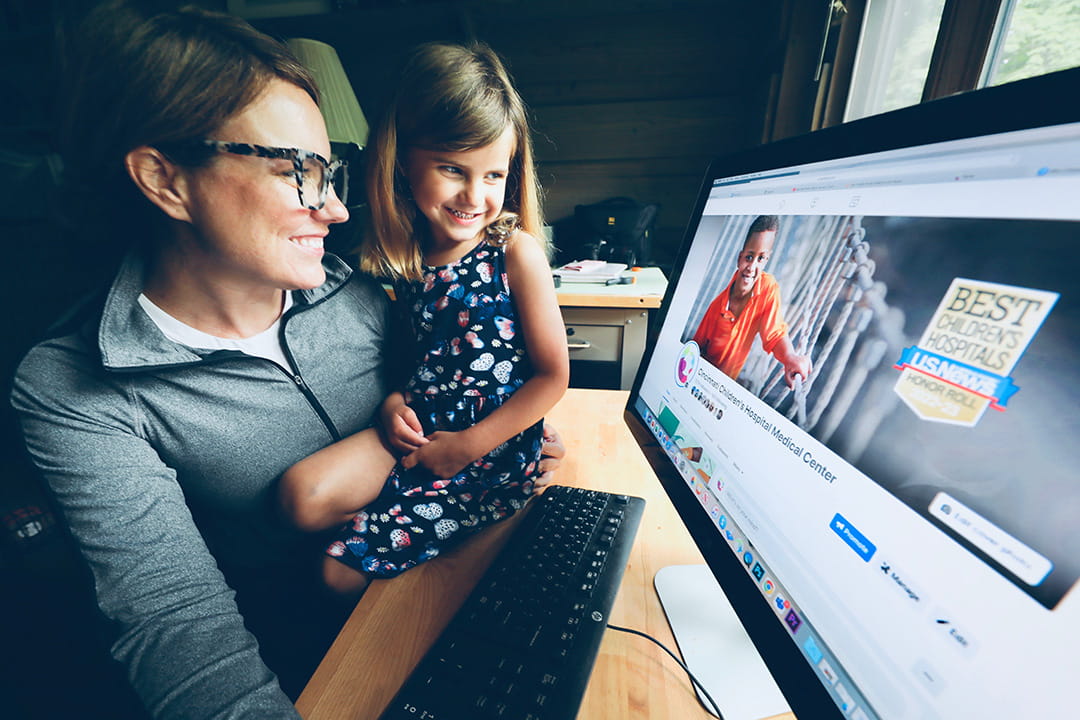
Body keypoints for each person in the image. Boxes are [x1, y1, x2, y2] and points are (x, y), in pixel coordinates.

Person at [8, 4, 563, 718]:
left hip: (453, 584)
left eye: (329, 170)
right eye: (296, 171)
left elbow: (457, 382)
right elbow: (179, 632)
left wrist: (505, 439)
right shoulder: (72, 388)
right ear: (164, 178)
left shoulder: (359, 290)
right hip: (315, 665)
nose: (334, 209)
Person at [278, 42, 569, 595]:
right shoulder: (406, 263)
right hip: (422, 436)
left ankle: (460, 555)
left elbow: (553, 375)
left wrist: (468, 446)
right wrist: (391, 405)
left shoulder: (515, 252)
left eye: (493, 175)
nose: (474, 195)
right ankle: (420, 534)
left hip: (488, 447)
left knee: (333, 572)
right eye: (452, 169)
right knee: (301, 502)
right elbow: (409, 365)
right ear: (403, 162)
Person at [692, 215, 812, 386]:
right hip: (703, 379)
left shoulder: (767, 288)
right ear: (739, 258)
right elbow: (696, 347)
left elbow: (775, 335)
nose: (752, 267)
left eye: (760, 259)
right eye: (749, 257)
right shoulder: (716, 306)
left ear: (766, 260)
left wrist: (790, 358)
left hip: (725, 386)